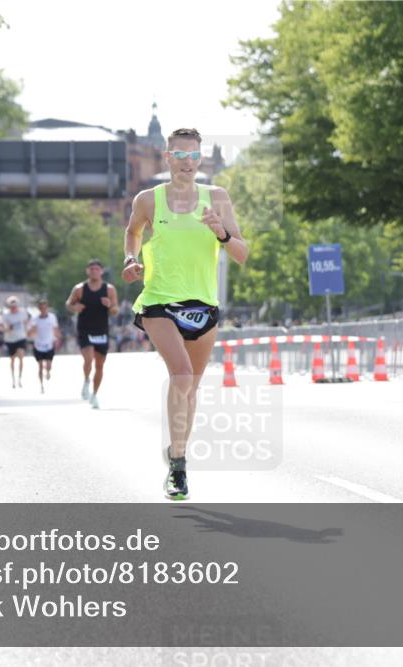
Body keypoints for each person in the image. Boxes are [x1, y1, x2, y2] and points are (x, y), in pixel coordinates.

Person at [122, 127, 248, 500]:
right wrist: (130, 259)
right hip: (160, 301)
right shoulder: (148, 199)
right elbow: (132, 233)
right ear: (167, 157)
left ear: (201, 159)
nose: (187, 163)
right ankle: (178, 469)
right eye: (179, 155)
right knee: (180, 375)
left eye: (193, 156)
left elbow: (241, 253)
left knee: (190, 387)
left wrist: (222, 233)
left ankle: (178, 452)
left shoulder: (217, 198)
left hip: (202, 305)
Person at [66, 259, 118, 409]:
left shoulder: (109, 289)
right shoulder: (79, 289)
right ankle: (86, 381)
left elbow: (115, 310)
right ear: (87, 271)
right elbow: (69, 304)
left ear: (101, 272)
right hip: (85, 328)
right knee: (88, 359)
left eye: (97, 269)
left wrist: (110, 306)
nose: (94, 271)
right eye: (91, 269)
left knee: (100, 365)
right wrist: (75, 307)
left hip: (101, 329)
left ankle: (94, 394)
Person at [28, 298, 61, 394]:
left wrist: (58, 338)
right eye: (41, 308)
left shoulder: (52, 317)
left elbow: (55, 328)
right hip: (38, 344)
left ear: (47, 308)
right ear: (39, 309)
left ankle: (48, 371)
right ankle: (41, 385)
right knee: (40, 365)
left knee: (49, 364)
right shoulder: (35, 319)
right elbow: (30, 333)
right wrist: (33, 331)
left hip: (49, 344)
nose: (43, 309)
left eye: (44, 308)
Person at [2, 296, 30, 388]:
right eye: (11, 306)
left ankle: (20, 378)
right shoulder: (6, 315)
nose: (13, 308)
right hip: (10, 339)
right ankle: (13, 379)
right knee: (13, 359)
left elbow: (26, 323)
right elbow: (3, 327)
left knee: (21, 356)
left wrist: (27, 333)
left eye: (15, 306)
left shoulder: (23, 313)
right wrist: (7, 329)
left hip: (21, 338)